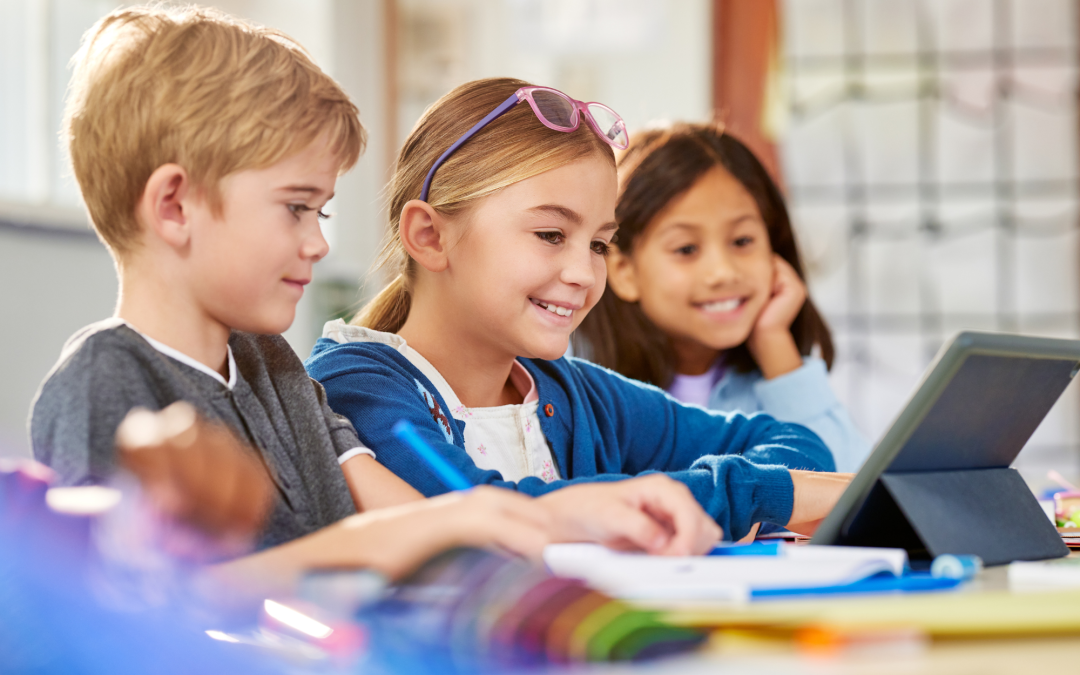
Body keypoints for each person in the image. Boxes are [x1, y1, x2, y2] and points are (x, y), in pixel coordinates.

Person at [28, 6, 722, 597]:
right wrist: (390, 543)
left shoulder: (273, 366)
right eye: (297, 208)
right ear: (175, 204)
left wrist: (572, 516)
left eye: (320, 213)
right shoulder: (105, 381)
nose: (318, 244)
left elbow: (411, 514)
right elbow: (132, 614)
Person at [305, 78, 854, 542]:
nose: (584, 274)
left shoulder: (578, 396)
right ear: (430, 236)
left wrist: (719, 496)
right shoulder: (354, 387)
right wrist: (746, 495)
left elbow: (799, 448)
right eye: (550, 233)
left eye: (598, 244)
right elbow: (488, 515)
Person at [575, 123, 870, 473]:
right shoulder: (574, 385)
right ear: (624, 271)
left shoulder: (778, 380)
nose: (723, 272)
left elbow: (850, 491)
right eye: (686, 249)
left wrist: (775, 343)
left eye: (742, 241)